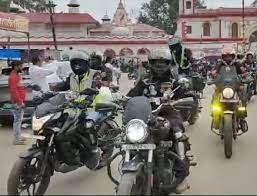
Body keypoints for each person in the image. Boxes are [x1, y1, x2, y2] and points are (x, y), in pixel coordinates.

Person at [8, 61, 26, 145]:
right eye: (21, 66)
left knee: (18, 120)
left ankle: (18, 137)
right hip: (17, 102)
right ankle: (16, 139)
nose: (22, 68)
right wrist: (19, 101)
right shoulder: (13, 77)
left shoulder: (16, 75)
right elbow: (13, 91)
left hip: (18, 101)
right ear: (16, 67)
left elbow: (18, 87)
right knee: (17, 121)